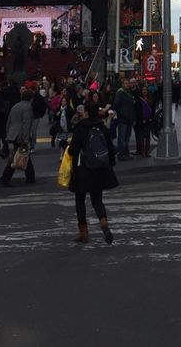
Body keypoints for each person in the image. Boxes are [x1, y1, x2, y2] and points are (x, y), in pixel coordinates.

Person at [67, 102, 118, 244]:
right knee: (97, 199)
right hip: (100, 169)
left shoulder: (81, 128)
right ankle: (104, 224)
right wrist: (111, 163)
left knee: (80, 200)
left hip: (83, 169)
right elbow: (110, 148)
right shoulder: (102, 128)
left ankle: (83, 232)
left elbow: (73, 150)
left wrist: (66, 146)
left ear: (87, 112)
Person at [0, 87, 35, 186]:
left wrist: (8, 134)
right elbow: (26, 124)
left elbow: (9, 121)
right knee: (18, 156)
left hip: (13, 134)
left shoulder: (15, 106)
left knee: (22, 154)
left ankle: (30, 177)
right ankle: (5, 178)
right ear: (31, 98)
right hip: (20, 135)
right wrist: (26, 139)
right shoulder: (28, 107)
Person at [112, 77, 135, 161]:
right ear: (122, 84)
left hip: (129, 119)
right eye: (126, 83)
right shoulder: (120, 93)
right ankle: (121, 154)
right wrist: (122, 114)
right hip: (123, 119)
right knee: (122, 137)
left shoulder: (129, 92)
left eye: (128, 83)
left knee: (127, 137)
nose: (127, 85)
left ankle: (126, 153)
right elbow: (116, 105)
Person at [134, 85, 153, 158]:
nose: (144, 91)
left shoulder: (150, 98)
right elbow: (138, 110)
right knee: (141, 137)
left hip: (148, 120)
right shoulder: (139, 99)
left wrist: (151, 118)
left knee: (147, 137)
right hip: (141, 120)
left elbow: (152, 108)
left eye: (145, 90)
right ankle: (142, 151)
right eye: (143, 90)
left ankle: (146, 151)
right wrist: (142, 118)